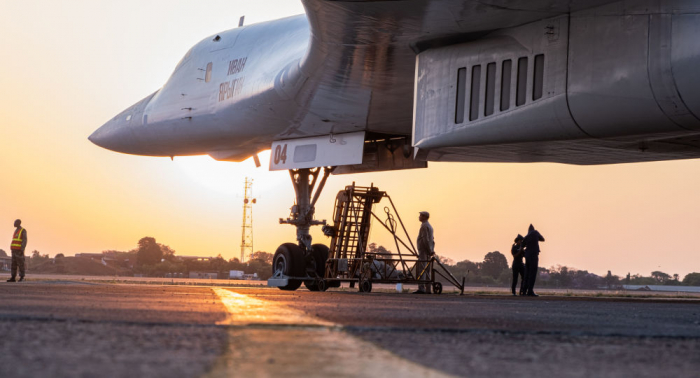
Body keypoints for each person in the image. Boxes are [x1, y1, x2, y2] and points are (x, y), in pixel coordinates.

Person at [414, 211, 435, 294]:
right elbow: (431, 239)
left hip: (424, 250)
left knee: (422, 269)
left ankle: (421, 288)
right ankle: (428, 289)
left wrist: (429, 250)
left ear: (425, 217)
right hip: (427, 250)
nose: (419, 217)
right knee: (427, 269)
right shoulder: (429, 226)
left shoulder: (424, 226)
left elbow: (425, 239)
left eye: (421, 215)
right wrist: (431, 250)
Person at [522, 224, 544, 297]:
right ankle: (530, 291)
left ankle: (524, 290)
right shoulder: (535, 233)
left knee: (527, 274)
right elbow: (543, 239)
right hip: (534, 255)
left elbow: (522, 246)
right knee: (532, 274)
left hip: (527, 256)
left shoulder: (526, 236)